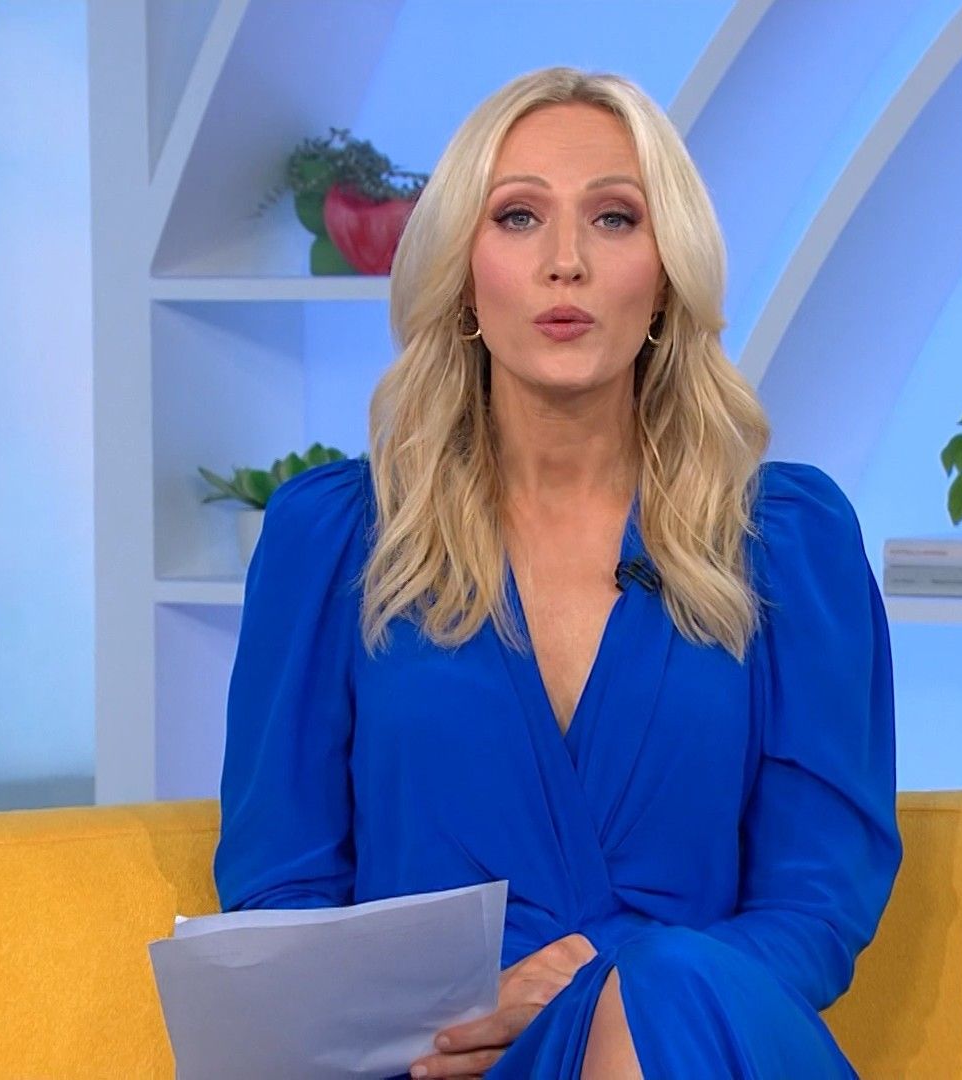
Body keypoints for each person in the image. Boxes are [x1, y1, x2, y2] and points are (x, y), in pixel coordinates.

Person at [214, 65, 901, 1079]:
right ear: (462, 270)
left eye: (615, 219)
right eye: (519, 217)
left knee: (669, 991)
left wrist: (604, 994)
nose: (566, 262)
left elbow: (816, 905)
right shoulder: (332, 543)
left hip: (705, 1037)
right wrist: (472, 1010)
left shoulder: (789, 541)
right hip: (443, 1059)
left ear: (666, 274)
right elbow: (280, 898)